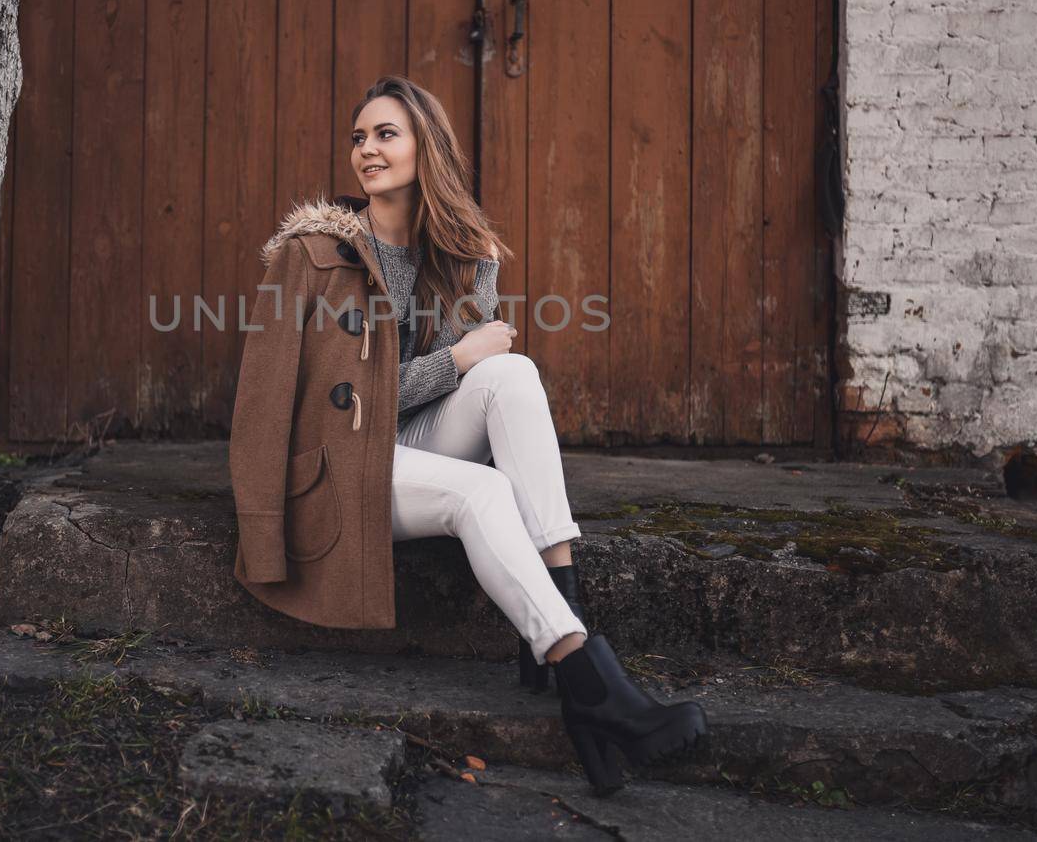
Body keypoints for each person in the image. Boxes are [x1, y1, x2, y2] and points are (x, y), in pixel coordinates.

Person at [228, 74, 707, 795]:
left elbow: (452, 386)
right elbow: (267, 403)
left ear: (427, 147)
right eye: (359, 137)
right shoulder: (313, 255)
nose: (367, 149)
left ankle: (559, 620)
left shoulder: (463, 255)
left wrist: (470, 358)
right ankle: (586, 680)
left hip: (406, 448)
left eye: (386, 133)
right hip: (336, 471)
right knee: (482, 487)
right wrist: (264, 535)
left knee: (510, 373)